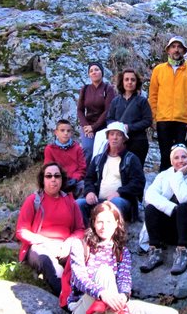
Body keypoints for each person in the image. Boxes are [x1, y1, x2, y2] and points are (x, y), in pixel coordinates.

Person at [66, 201, 180, 314]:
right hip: (87, 313)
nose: (104, 226)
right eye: (99, 221)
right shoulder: (80, 246)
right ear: (92, 223)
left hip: (114, 311)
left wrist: (123, 296)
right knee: (104, 272)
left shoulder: (122, 251)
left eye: (108, 222)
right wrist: (102, 293)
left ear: (116, 224)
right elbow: (79, 279)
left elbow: (125, 281)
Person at [16, 163, 85, 296]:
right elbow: (21, 231)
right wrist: (46, 242)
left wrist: (69, 242)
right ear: (43, 180)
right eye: (49, 176)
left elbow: (80, 229)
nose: (53, 179)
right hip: (40, 246)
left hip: (65, 246)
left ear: (62, 179)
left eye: (57, 176)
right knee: (47, 261)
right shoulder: (33, 200)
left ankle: (88, 295)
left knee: (84, 257)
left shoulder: (71, 202)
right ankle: (66, 299)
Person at [141, 144, 187, 276]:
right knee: (151, 208)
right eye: (176, 158)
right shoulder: (164, 175)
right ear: (171, 162)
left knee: (182, 208)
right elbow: (149, 195)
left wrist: (179, 175)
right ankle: (155, 251)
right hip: (168, 229)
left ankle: (182, 252)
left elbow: (184, 198)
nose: (180, 160)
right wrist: (171, 208)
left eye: (184, 157)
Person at [148, 36, 187, 171]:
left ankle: (179, 190)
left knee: (181, 158)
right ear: (168, 50)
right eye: (173, 46)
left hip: (183, 122)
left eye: (179, 47)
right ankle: (163, 189)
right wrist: (153, 118)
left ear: (184, 51)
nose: (176, 50)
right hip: (163, 120)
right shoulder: (158, 70)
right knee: (165, 157)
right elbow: (153, 96)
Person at [76, 121, 145, 225]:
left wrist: (119, 193)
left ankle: (111, 237)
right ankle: (86, 233)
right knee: (78, 204)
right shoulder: (98, 159)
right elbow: (89, 179)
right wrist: (90, 192)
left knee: (115, 203)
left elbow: (138, 183)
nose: (115, 137)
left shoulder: (131, 159)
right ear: (107, 137)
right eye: (112, 134)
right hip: (98, 200)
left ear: (124, 139)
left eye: (118, 135)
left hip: (122, 201)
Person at [106, 68, 153, 167]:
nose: (129, 82)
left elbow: (148, 121)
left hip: (138, 142)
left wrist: (129, 127)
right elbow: (109, 118)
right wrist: (117, 127)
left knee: (136, 170)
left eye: (133, 80)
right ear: (122, 82)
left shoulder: (142, 101)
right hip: (119, 142)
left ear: (137, 82)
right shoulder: (115, 101)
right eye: (126, 79)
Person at [77, 61, 116, 165]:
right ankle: (86, 177)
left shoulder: (108, 89)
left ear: (102, 72)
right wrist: (86, 126)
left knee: (101, 151)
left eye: (97, 70)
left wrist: (94, 127)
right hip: (88, 126)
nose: (94, 72)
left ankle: (99, 177)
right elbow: (80, 110)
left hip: (103, 126)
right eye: (91, 71)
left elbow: (108, 110)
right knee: (88, 149)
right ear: (89, 74)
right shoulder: (85, 89)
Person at [43, 119, 86, 197]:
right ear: (56, 132)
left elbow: (82, 168)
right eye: (62, 130)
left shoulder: (77, 148)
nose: (66, 133)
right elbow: (48, 169)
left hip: (75, 181)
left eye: (68, 131)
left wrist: (75, 179)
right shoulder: (50, 149)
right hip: (58, 180)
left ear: (71, 133)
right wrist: (59, 179)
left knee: (84, 187)